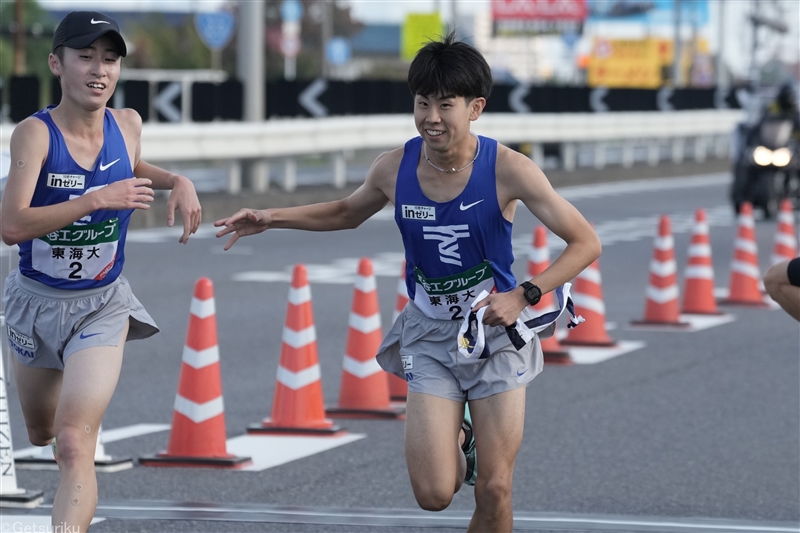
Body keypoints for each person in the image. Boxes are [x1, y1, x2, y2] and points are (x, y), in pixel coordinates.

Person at [215, 34, 600, 532]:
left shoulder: (509, 169)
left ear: (476, 107)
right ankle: (461, 440)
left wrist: (524, 294)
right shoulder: (395, 167)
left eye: (446, 104)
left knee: (496, 488)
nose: (431, 117)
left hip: (495, 335)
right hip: (430, 334)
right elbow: (344, 212)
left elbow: (585, 242)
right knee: (434, 493)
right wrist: (270, 217)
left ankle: (480, 461)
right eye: (423, 103)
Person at [0, 11, 201, 532]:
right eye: (85, 56)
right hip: (34, 301)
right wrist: (94, 201)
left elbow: (131, 166)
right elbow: (13, 225)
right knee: (42, 432)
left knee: (72, 444)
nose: (99, 69)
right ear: (56, 62)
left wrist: (174, 179)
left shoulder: (127, 124)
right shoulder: (35, 136)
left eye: (109, 59)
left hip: (102, 304)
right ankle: (71, 398)